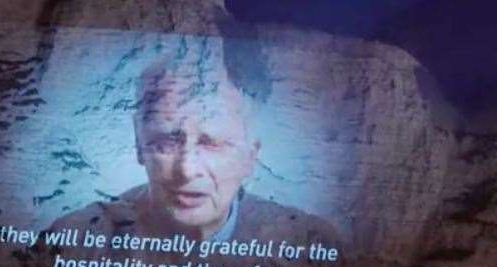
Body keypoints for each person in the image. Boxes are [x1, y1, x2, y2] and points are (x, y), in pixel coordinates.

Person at [45, 57, 341, 247]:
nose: (186, 170)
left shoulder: (310, 243)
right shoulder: (76, 242)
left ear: (252, 153)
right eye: (168, 141)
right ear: (139, 142)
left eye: (211, 142)